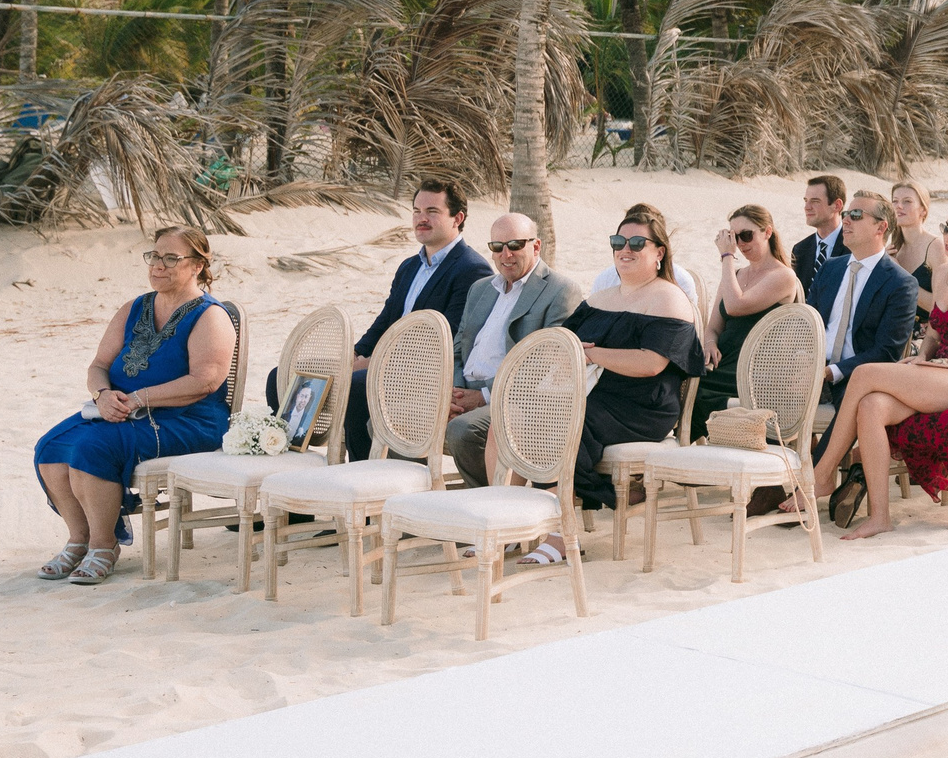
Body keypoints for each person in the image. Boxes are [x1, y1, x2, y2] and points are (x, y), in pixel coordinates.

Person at [33, 228, 238, 583]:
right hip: (120, 409)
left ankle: (103, 544)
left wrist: (141, 399)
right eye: (154, 256)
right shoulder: (134, 308)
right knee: (50, 448)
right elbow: (98, 365)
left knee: (92, 448)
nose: (158, 265)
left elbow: (205, 381)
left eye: (171, 258)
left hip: (187, 418)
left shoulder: (210, 316)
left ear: (197, 266)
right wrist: (102, 395)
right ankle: (79, 540)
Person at [812, 199, 948, 539]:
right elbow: (936, 326)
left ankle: (822, 473)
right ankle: (879, 516)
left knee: (863, 375)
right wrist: (923, 355)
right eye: (946, 229)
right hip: (941, 371)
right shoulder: (946, 270)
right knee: (871, 405)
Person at [279, 180, 489, 462]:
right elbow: (386, 320)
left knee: (357, 386)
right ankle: (297, 491)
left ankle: (364, 482)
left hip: (425, 374)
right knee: (284, 376)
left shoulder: (471, 269)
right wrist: (354, 353)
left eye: (432, 211)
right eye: (416, 211)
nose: (421, 219)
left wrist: (374, 362)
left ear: (457, 218)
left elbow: (446, 338)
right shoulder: (409, 266)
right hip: (386, 363)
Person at [547, 205, 704, 564]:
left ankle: (559, 534)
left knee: (570, 421)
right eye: (619, 241)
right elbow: (560, 346)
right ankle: (514, 524)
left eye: (637, 242)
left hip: (643, 406)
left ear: (658, 253)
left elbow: (651, 364)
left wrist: (593, 354)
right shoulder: (598, 300)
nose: (626, 249)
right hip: (595, 396)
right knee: (523, 414)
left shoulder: (669, 299)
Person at [444, 214, 582, 486]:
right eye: (497, 247)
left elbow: (545, 365)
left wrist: (483, 396)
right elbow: (459, 347)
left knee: (463, 431)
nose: (505, 254)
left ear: (536, 246)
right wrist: (455, 393)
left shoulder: (561, 291)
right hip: (465, 390)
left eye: (515, 245)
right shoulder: (480, 289)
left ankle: (492, 510)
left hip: (515, 400)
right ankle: (411, 514)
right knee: (398, 415)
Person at [690, 204, 803, 442]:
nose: (740, 243)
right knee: (678, 385)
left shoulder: (783, 276)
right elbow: (713, 326)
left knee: (697, 393)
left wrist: (726, 256)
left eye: (746, 235)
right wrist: (710, 342)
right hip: (723, 362)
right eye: (733, 237)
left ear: (767, 232)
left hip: (754, 372)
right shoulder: (736, 275)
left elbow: (734, 306)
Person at [809, 191, 921, 414]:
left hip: (855, 376)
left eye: (857, 214)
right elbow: (806, 324)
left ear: (880, 228)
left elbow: (886, 351)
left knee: (857, 406)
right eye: (847, 213)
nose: (846, 220)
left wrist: (833, 371)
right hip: (811, 369)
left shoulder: (901, 283)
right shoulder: (830, 268)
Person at [791, 173, 847, 297]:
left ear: (837, 205)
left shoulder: (854, 248)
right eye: (806, 201)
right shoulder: (800, 249)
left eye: (815, 201)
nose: (806, 207)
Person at [888, 181, 948, 291]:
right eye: (895, 201)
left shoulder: (936, 247)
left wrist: (899, 274)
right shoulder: (893, 248)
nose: (899, 206)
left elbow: (940, 305)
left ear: (923, 210)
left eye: (907, 201)